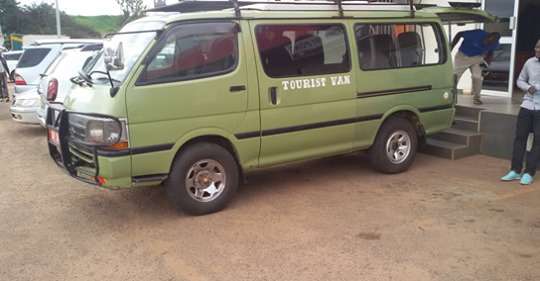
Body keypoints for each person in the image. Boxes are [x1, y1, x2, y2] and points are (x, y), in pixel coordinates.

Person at [501, 39, 540, 185]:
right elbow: (520, 80)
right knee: (520, 138)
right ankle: (515, 170)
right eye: (536, 47)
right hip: (527, 105)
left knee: (538, 141)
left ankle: (529, 172)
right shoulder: (530, 62)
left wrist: (537, 86)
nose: (537, 50)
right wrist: (527, 87)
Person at [451, 29, 501, 105]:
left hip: (477, 58)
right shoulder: (477, 33)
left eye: (490, 43)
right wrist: (451, 47)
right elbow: (459, 34)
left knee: (477, 77)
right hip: (462, 56)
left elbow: (491, 53)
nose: (486, 44)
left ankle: (477, 98)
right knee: (455, 77)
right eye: (487, 41)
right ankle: (451, 98)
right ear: (487, 36)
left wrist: (487, 64)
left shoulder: (495, 44)